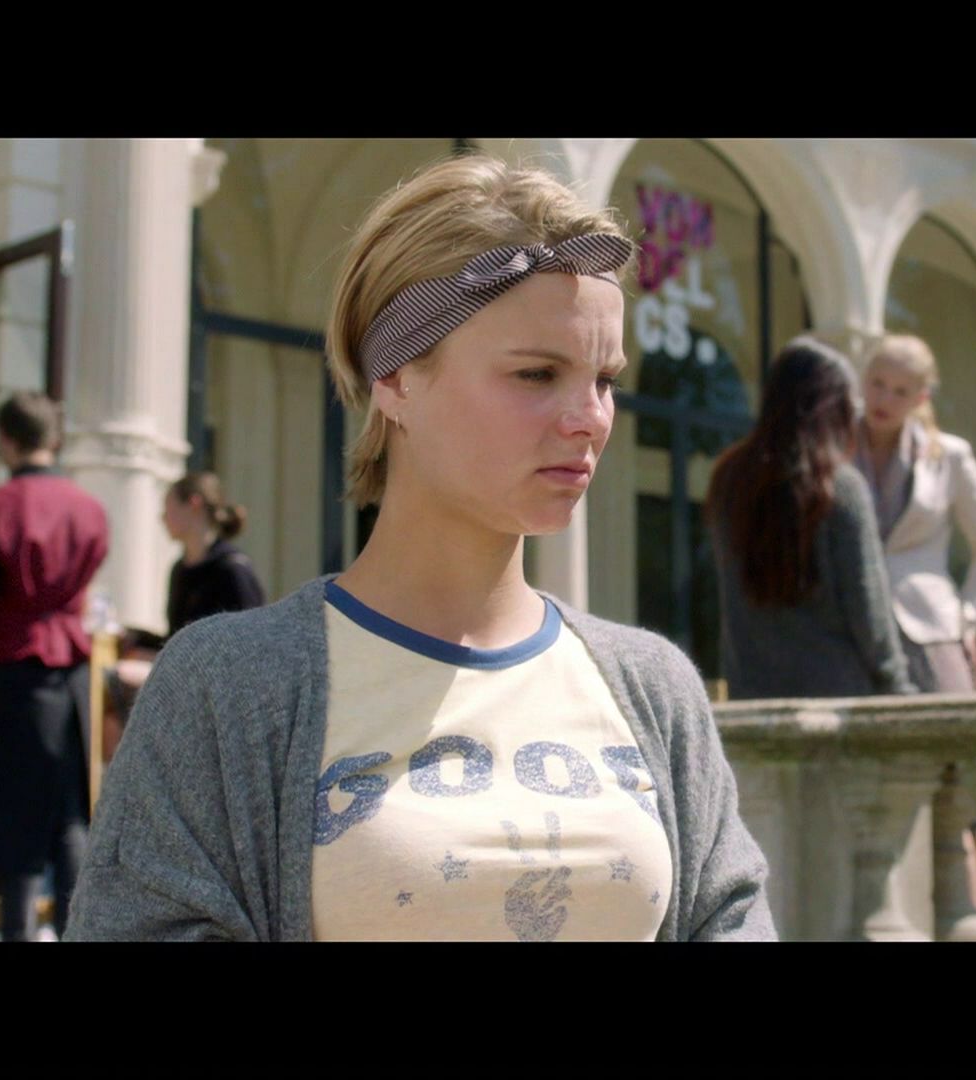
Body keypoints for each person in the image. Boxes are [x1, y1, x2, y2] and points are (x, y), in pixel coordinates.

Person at [66, 154, 772, 942]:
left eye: (604, 379)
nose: (590, 418)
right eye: (537, 373)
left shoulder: (652, 687)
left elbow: (732, 917)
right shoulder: (227, 687)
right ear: (396, 378)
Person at [0, 392, 110, 942]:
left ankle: (15, 934)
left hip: (15, 670)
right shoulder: (90, 509)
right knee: (68, 814)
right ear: (55, 440)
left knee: (14, 817)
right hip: (74, 672)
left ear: (5, 440)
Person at [707, 337, 916, 700]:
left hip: (752, 696)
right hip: (839, 702)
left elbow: (729, 601)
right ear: (834, 410)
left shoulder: (729, 478)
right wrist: (898, 687)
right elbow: (868, 609)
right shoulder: (840, 487)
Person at [852, 334, 976, 692]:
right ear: (863, 379)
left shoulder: (951, 456)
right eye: (878, 383)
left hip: (928, 628)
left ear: (921, 398)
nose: (884, 399)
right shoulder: (831, 447)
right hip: (846, 632)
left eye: (901, 391)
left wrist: (968, 618)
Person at [102, 472, 266, 758]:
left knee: (121, 683)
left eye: (168, 508)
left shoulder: (233, 570)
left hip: (217, 701)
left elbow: (251, 651)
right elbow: (177, 637)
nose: (162, 518)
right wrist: (135, 637)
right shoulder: (180, 570)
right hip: (185, 684)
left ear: (194, 504)